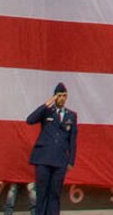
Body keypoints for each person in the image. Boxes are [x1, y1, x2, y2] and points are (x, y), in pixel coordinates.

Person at [25, 84, 77, 215]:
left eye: (64, 96)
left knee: (55, 194)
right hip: (43, 158)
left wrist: (71, 161)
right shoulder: (47, 111)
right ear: (55, 96)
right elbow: (30, 120)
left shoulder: (71, 115)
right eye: (59, 96)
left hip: (60, 160)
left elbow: (72, 139)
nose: (62, 99)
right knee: (42, 193)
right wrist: (48, 103)